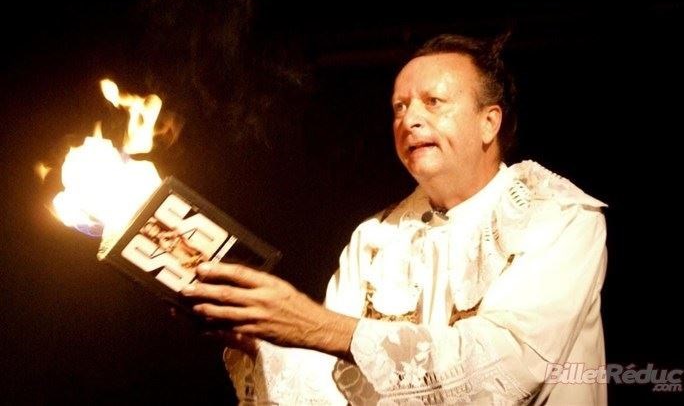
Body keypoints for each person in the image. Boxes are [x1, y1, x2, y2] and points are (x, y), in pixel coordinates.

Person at [181, 33, 608, 404]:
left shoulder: (560, 218)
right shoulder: (375, 239)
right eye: (399, 107)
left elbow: (509, 365)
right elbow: (335, 387)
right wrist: (260, 338)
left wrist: (315, 324)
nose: (410, 120)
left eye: (433, 102)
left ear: (488, 122)